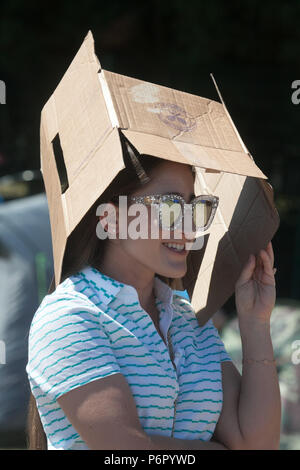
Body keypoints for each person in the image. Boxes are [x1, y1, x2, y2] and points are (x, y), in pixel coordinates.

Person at [26, 149, 281, 450]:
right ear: (111, 219)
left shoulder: (188, 320)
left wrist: (255, 322)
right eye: (170, 207)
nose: (188, 228)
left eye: (195, 207)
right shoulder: (70, 316)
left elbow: (257, 445)